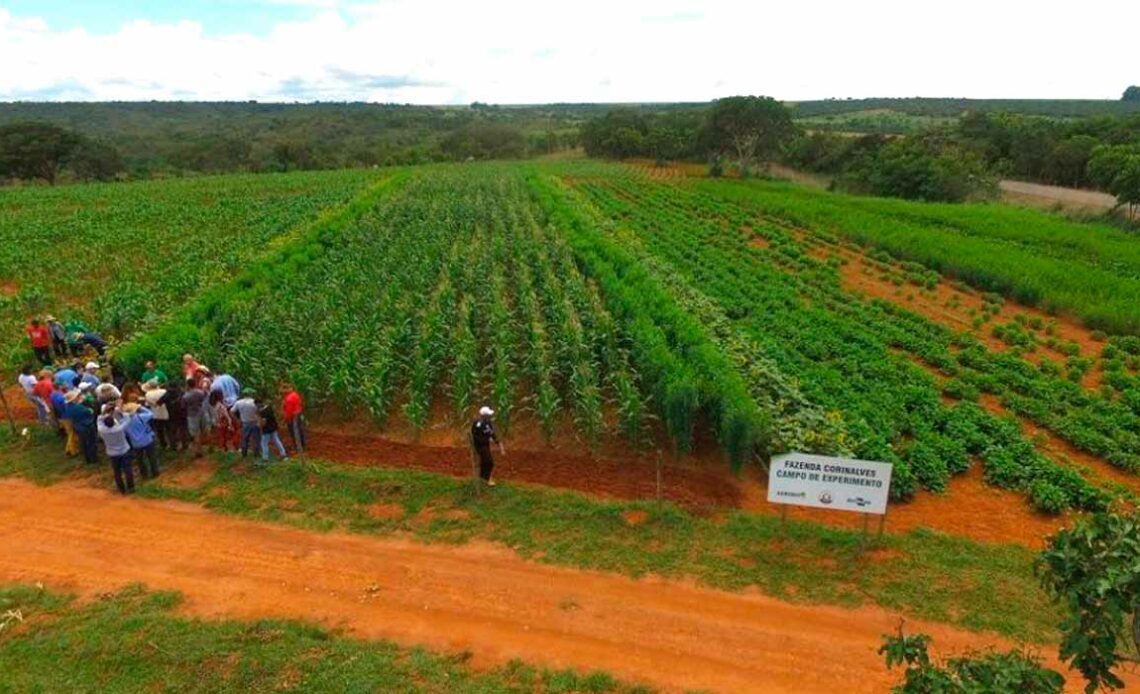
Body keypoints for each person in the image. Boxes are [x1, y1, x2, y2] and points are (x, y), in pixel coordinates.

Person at [97, 404, 134, 495]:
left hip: (112, 453)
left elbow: (99, 420)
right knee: (128, 470)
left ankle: (122, 490)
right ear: (114, 422)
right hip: (124, 451)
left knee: (117, 472)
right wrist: (119, 411)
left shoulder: (102, 430)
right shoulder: (119, 429)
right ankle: (131, 487)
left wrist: (105, 413)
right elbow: (127, 418)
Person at [123, 402, 160, 480]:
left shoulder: (124, 422)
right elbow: (150, 413)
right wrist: (140, 407)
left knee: (140, 460)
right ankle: (155, 472)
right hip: (147, 440)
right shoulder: (140, 417)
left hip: (136, 443)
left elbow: (126, 434)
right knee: (152, 457)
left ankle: (144, 475)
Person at [470, 406, 504, 486]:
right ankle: (487, 479)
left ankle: (483, 479)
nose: (490, 416)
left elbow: (491, 433)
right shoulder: (478, 424)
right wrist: (487, 440)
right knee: (489, 462)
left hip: (486, 446)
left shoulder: (488, 423)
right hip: (480, 446)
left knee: (485, 462)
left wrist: (497, 442)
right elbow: (476, 437)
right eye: (488, 415)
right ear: (484, 415)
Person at [63, 390, 98, 465]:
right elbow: (90, 411)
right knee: (91, 442)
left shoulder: (68, 408)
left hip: (78, 426)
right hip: (87, 425)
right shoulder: (78, 407)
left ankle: (88, 459)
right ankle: (93, 458)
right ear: (73, 399)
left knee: (84, 443)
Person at [182, 378, 211, 457]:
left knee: (196, 434)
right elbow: (203, 398)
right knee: (206, 430)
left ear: (188, 385)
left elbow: (183, 406)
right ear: (195, 384)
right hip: (201, 412)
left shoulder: (186, 396)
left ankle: (199, 451)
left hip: (192, 415)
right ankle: (211, 447)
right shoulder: (200, 392)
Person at [255, 396, 288, 465]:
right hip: (273, 427)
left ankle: (265, 458)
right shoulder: (269, 407)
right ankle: (283, 454)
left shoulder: (263, 412)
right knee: (276, 440)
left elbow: (263, 422)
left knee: (264, 443)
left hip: (267, 429)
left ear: (258, 404)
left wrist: (259, 425)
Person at [230, 388, 261, 458]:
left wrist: (237, 420)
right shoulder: (254, 402)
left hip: (245, 422)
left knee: (245, 438)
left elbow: (232, 412)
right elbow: (260, 412)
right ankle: (256, 453)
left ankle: (244, 453)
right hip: (255, 422)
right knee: (256, 438)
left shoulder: (239, 402)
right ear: (251, 394)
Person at [142, 380, 172, 450]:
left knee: (159, 431)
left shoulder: (148, 394)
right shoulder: (164, 391)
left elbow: (147, 405)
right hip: (165, 412)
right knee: (168, 429)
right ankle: (172, 443)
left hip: (155, 414)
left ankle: (163, 444)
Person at [55, 384, 79, 457]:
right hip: (67, 418)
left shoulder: (58, 397)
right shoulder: (63, 399)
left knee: (70, 433)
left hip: (62, 417)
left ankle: (69, 448)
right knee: (71, 434)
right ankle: (72, 451)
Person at [281, 384, 306, 453]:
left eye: (283, 389)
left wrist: (286, 419)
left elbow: (289, 411)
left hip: (293, 417)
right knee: (300, 430)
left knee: (294, 432)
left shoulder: (288, 398)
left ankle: (298, 448)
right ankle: (303, 445)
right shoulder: (295, 394)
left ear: (287, 389)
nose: (282, 391)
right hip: (299, 414)